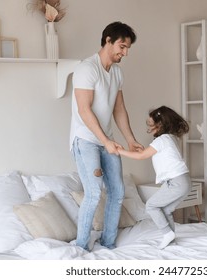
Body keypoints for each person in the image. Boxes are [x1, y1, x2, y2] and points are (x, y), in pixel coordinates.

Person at [70, 21, 143, 250]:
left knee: (118, 192)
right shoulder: (86, 69)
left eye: (128, 48)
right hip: (86, 141)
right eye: (122, 46)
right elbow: (84, 110)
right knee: (93, 192)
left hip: (106, 140)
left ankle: (108, 243)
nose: (125, 52)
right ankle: (81, 248)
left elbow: (119, 109)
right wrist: (105, 141)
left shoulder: (117, 72)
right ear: (108, 41)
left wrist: (130, 139)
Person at [117, 106, 192, 249]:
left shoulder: (161, 140)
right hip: (183, 181)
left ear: (160, 125)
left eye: (151, 125)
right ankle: (171, 239)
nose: (149, 128)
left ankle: (167, 233)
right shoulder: (170, 138)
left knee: (151, 206)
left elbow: (140, 157)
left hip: (176, 182)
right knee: (165, 210)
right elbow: (149, 153)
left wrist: (120, 151)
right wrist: (143, 150)